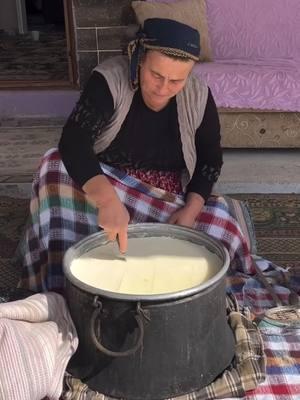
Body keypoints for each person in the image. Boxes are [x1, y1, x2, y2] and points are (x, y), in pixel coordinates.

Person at [17, 18, 254, 293]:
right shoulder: (109, 80)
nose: (164, 88)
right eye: (156, 75)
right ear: (138, 58)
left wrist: (190, 212)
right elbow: (74, 142)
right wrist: (107, 201)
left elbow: (210, 162)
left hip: (164, 198)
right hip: (105, 186)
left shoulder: (199, 97)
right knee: (54, 166)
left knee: (225, 226)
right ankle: (60, 285)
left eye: (177, 80)